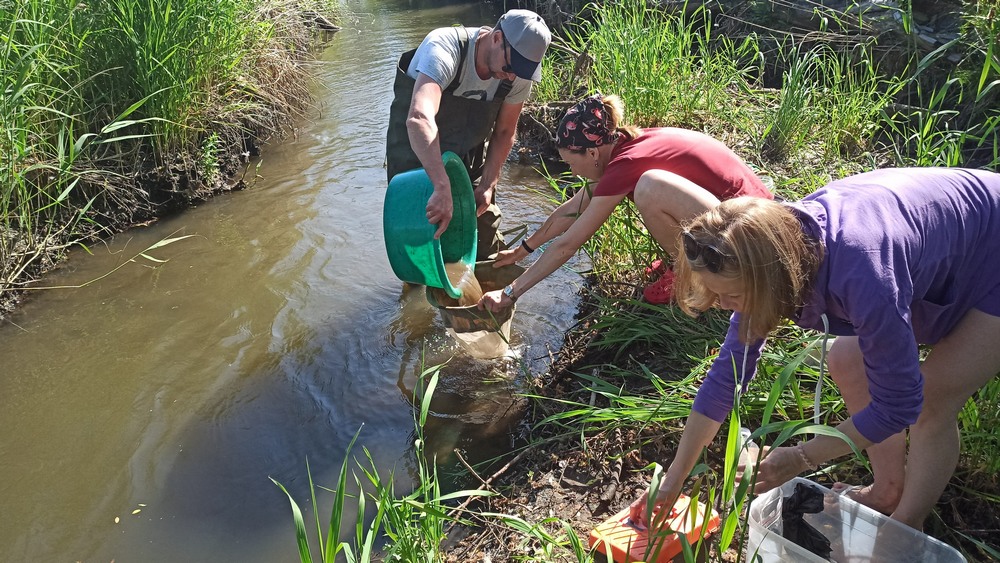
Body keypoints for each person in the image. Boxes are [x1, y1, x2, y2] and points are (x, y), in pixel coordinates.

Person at [627, 167, 1000, 533]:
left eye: (733, 295)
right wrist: (674, 478)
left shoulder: (862, 274)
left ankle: (906, 524)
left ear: (774, 277)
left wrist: (800, 458)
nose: (726, 306)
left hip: (992, 248)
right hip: (948, 245)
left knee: (932, 398)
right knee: (845, 360)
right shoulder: (771, 247)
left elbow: (901, 403)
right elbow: (727, 376)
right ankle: (887, 490)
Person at [477, 93, 772, 310]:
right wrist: (522, 250)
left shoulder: (627, 164)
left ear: (592, 153)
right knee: (648, 186)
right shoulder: (624, 145)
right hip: (754, 221)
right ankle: (685, 262)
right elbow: (570, 211)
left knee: (649, 189)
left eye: (570, 162)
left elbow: (568, 245)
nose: (571, 171)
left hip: (753, 242)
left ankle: (694, 277)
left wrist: (511, 293)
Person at [385, 9, 551, 261]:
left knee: (483, 235)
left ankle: (483, 290)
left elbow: (505, 131)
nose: (512, 76)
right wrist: (441, 186)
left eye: (523, 71)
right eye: (510, 66)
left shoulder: (517, 72)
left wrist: (488, 184)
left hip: (468, 152)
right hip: (415, 150)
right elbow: (419, 117)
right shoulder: (444, 47)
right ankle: (419, 291)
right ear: (496, 38)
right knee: (418, 240)